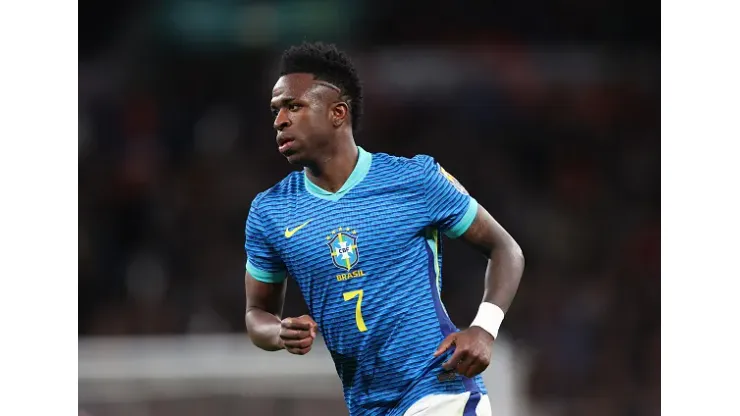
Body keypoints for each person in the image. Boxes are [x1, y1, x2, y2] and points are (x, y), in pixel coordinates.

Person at [244, 42, 525, 416]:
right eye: (276, 110)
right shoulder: (271, 212)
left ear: (337, 113)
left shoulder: (414, 180)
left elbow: (505, 248)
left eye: (294, 107)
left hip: (440, 386)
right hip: (368, 405)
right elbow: (256, 315)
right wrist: (279, 332)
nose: (280, 121)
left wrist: (484, 328)